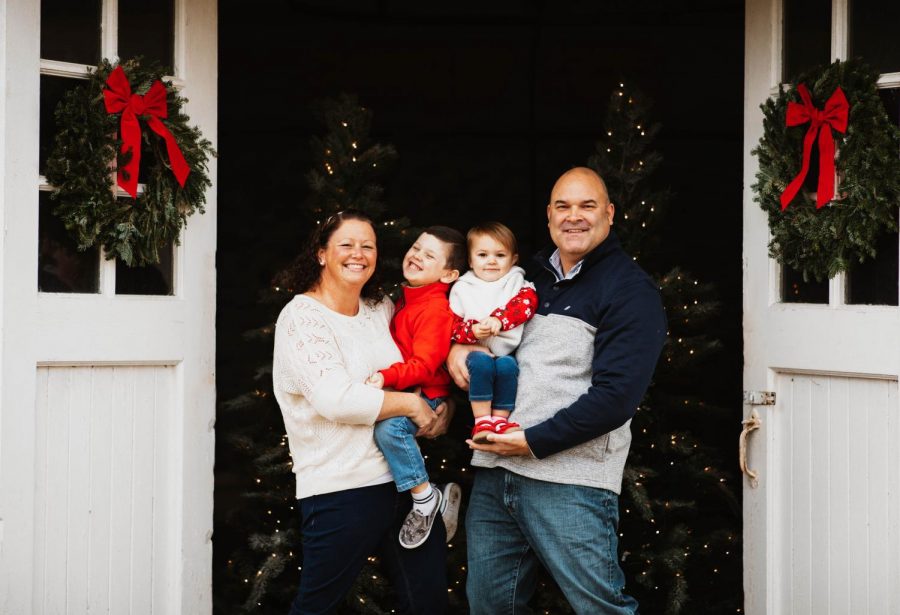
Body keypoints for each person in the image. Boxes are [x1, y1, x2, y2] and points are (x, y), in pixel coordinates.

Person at [447, 168, 667, 614]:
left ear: (609, 213)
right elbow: (484, 328)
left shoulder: (629, 290)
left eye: (587, 206)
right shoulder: (526, 278)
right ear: (549, 215)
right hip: (494, 471)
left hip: (568, 481)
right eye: (563, 207)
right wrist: (458, 346)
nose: (574, 217)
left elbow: (617, 398)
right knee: (490, 607)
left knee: (599, 608)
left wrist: (530, 442)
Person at [272, 210, 453, 615]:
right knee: (317, 607)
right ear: (321, 254)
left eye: (367, 246)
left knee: (427, 603)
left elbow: (423, 354)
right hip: (341, 490)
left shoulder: (380, 308)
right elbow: (336, 399)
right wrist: (410, 404)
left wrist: (446, 404)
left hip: (407, 486)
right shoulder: (302, 318)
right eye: (347, 245)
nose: (359, 254)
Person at [365, 227, 466, 550]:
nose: (418, 256)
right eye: (416, 248)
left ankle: (425, 498)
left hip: (429, 392)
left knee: (389, 430)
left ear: (449, 274)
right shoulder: (404, 302)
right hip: (410, 389)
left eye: (430, 255)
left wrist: (385, 377)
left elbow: (424, 365)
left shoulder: (434, 310)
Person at [448, 222, 537, 443]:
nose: (491, 261)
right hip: (476, 351)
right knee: (481, 364)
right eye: (482, 255)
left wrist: (500, 319)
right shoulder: (462, 287)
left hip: (506, 351)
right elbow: (452, 326)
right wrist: (472, 330)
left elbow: (526, 304)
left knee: (508, 367)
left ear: (514, 259)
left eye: (500, 255)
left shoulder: (517, 282)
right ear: (470, 260)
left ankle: (500, 420)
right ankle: (481, 420)